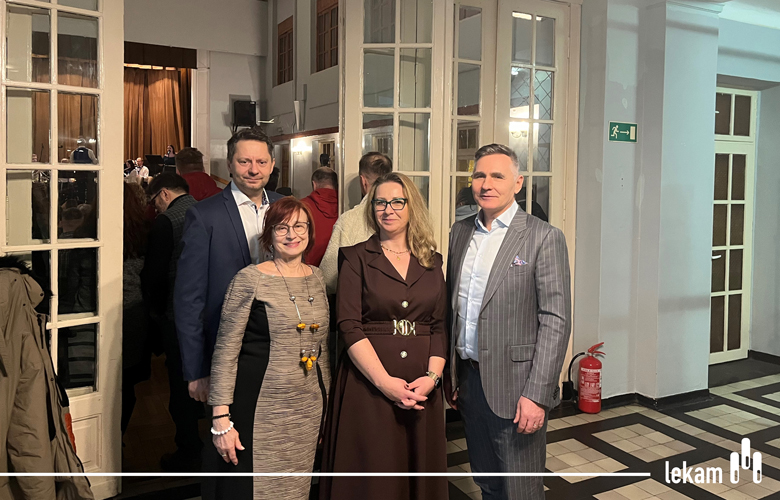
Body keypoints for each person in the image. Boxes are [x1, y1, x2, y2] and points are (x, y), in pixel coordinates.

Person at [445, 144, 571, 500]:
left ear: (518, 183)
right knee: (487, 483)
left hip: (518, 389)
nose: (486, 184)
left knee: (521, 490)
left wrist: (537, 395)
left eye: (497, 176)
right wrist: (452, 375)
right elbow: (454, 307)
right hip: (469, 382)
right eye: (479, 175)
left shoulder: (543, 237)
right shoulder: (460, 232)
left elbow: (556, 321)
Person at [320, 172, 448, 500]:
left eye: (397, 202)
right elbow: (349, 325)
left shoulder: (432, 261)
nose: (388, 209)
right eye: (380, 202)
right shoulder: (355, 257)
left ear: (411, 206)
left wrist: (432, 378)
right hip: (369, 386)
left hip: (422, 387)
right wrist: (384, 382)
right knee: (372, 478)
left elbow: (439, 326)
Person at [207, 197, 330, 499]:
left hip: (307, 408)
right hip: (259, 406)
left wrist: (327, 407)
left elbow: (322, 350)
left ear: (310, 231)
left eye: (299, 226)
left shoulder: (317, 277)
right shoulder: (250, 280)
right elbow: (225, 352)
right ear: (269, 235)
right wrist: (220, 419)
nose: (292, 235)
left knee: (296, 488)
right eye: (281, 228)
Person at [175, 128, 284, 404]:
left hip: (280, 347)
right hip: (226, 349)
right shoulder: (204, 215)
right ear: (229, 164)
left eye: (261, 162)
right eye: (244, 161)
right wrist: (196, 370)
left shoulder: (285, 208)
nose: (253, 169)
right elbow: (189, 299)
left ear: (272, 164)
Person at [141, 173, 204, 471]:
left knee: (180, 383)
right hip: (208, 311)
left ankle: (188, 450)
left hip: (176, 312)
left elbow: (154, 275)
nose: (154, 207)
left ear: (164, 194)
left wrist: (154, 312)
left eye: (154, 201)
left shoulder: (165, 222)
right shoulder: (207, 211)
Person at [320, 152, 392, 294]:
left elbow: (328, 277)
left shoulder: (349, 221)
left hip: (359, 301)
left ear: (363, 181)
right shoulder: (406, 216)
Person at [121, 183, 151, 440]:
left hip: (103, 309)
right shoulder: (146, 231)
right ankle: (118, 435)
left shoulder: (91, 228)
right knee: (127, 380)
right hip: (136, 310)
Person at [300, 167, 338, 266]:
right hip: (338, 267)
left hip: (308, 267)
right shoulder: (345, 206)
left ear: (314, 184)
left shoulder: (302, 206)